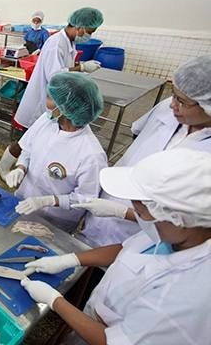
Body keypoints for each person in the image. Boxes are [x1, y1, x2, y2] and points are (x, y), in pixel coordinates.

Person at [20, 148, 211, 345]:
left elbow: (116, 341)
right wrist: (69, 259)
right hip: (95, 317)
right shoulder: (174, 232)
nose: (136, 211)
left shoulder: (185, 296)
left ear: (178, 218)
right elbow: (128, 248)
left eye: (141, 209)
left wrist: (54, 301)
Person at [76, 55, 211, 247]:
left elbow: (191, 223)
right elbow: (137, 132)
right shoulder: (167, 109)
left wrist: (122, 212)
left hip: (143, 236)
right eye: (173, 94)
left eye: (182, 101)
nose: (172, 104)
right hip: (105, 207)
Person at [5, 72, 107, 232]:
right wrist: (20, 168)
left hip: (55, 219)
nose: (46, 101)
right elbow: (28, 149)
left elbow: (86, 199)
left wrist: (49, 201)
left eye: (50, 98)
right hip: (24, 200)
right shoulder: (47, 120)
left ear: (66, 107)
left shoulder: (91, 155)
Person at [13, 7, 104, 130]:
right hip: (41, 102)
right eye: (89, 32)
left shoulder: (69, 41)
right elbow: (56, 77)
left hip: (52, 101)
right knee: (35, 133)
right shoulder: (56, 44)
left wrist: (79, 65)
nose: (89, 36)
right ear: (79, 27)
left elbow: (63, 66)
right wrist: (81, 67)